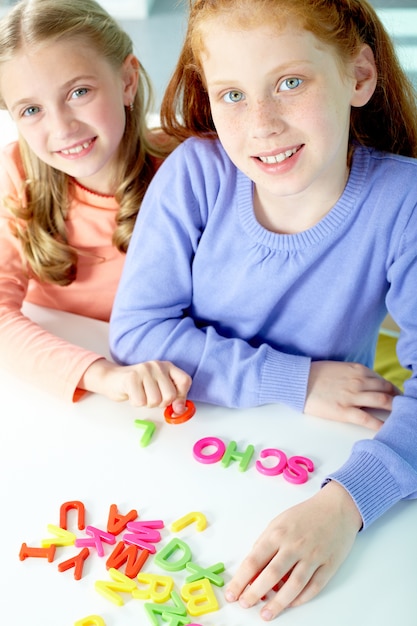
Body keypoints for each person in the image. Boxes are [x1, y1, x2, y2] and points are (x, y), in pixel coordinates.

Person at [109, 0, 417, 620]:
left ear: (358, 76)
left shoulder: (403, 200)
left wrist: (345, 506)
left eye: (290, 82)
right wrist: (293, 380)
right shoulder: (194, 175)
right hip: (181, 457)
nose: (262, 125)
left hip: (314, 462)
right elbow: (138, 333)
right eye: (231, 95)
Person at [0, 0, 191, 411]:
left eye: (79, 92)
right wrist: (100, 374)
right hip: (78, 391)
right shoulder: (15, 175)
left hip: (173, 383)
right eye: (31, 110)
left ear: (127, 79)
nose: (62, 127)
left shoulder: (186, 171)